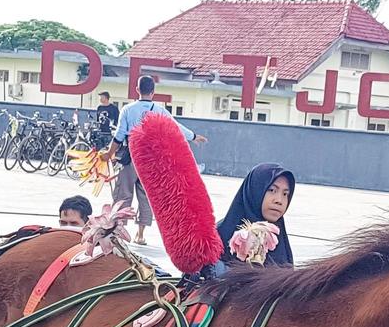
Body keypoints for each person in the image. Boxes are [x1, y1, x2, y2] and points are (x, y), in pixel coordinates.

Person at [112, 75, 205, 245]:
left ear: (137, 89)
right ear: (153, 92)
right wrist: (193, 136)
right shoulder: (160, 111)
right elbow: (176, 127)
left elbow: (119, 135)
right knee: (146, 196)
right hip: (151, 161)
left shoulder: (127, 109)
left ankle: (119, 232)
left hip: (130, 156)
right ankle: (140, 235)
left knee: (123, 194)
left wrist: (109, 153)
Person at [216, 163, 295, 267]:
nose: (279, 201)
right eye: (272, 190)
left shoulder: (280, 241)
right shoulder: (218, 237)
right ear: (255, 190)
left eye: (285, 194)